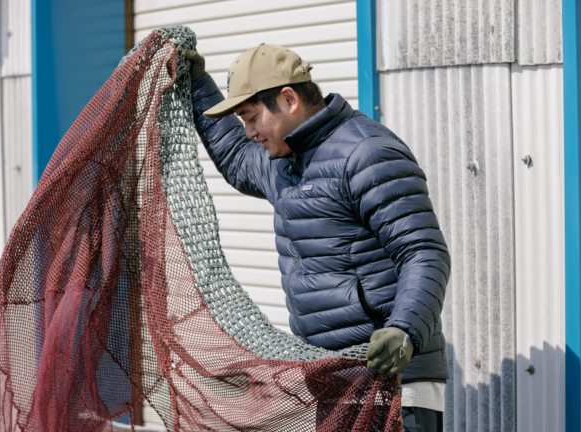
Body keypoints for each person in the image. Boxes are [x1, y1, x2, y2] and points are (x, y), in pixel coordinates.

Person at [183, 43, 451, 432]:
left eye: (253, 117)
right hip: (333, 377)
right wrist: (196, 84)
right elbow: (237, 157)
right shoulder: (282, 161)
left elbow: (423, 252)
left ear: (288, 99)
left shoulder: (366, 152)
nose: (250, 131)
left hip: (394, 377)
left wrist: (405, 330)